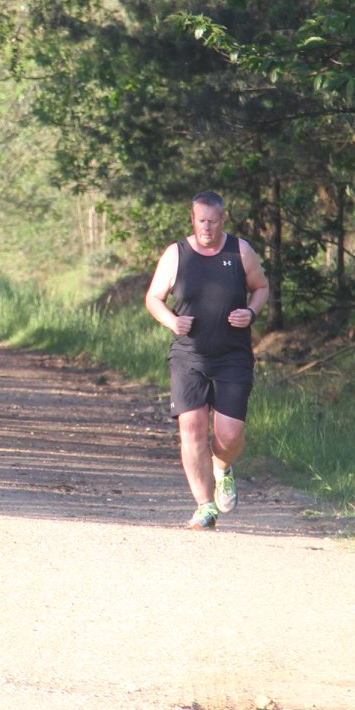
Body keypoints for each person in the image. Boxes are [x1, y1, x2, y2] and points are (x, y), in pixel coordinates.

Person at [143, 190, 270, 530]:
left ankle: (223, 467)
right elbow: (154, 298)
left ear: (222, 220)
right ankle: (203, 505)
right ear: (193, 219)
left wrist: (250, 311)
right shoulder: (176, 254)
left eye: (213, 222)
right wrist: (172, 321)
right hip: (188, 356)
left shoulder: (239, 250)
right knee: (192, 428)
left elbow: (261, 287)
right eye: (201, 221)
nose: (207, 228)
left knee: (228, 437)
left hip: (232, 356)